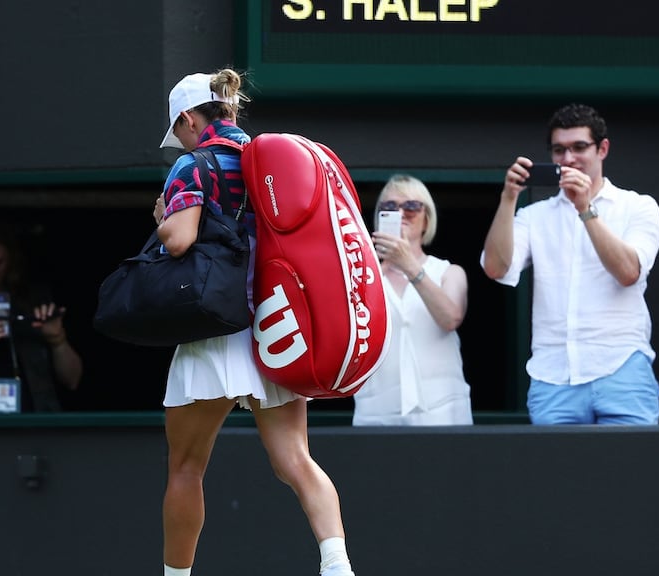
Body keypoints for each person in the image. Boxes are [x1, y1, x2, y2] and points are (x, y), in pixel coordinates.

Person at [154, 69, 357, 576]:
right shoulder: (272, 158)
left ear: (187, 118)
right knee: (296, 462)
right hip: (276, 324)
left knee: (185, 468)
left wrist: (161, 215)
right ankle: (337, 565)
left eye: (177, 131)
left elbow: (178, 240)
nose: (177, 142)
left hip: (213, 327)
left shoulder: (191, 164)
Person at [480, 103, 659, 425]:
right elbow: (495, 267)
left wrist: (586, 209)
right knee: (556, 476)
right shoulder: (534, 216)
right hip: (554, 375)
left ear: (602, 149)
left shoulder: (638, 206)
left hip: (621, 367)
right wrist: (509, 197)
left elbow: (628, 272)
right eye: (559, 150)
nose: (568, 159)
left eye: (579, 148)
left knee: (632, 472)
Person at [353, 174, 472, 426]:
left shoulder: (449, 272)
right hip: (376, 411)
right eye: (389, 207)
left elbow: (450, 318)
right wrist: (375, 268)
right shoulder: (362, 275)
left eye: (411, 206)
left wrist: (409, 266)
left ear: (427, 219)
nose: (401, 213)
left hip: (442, 411)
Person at [0, 220, 82, 412]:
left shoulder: (34, 302)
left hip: (34, 421)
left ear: (10, 261)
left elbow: (72, 380)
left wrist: (57, 340)